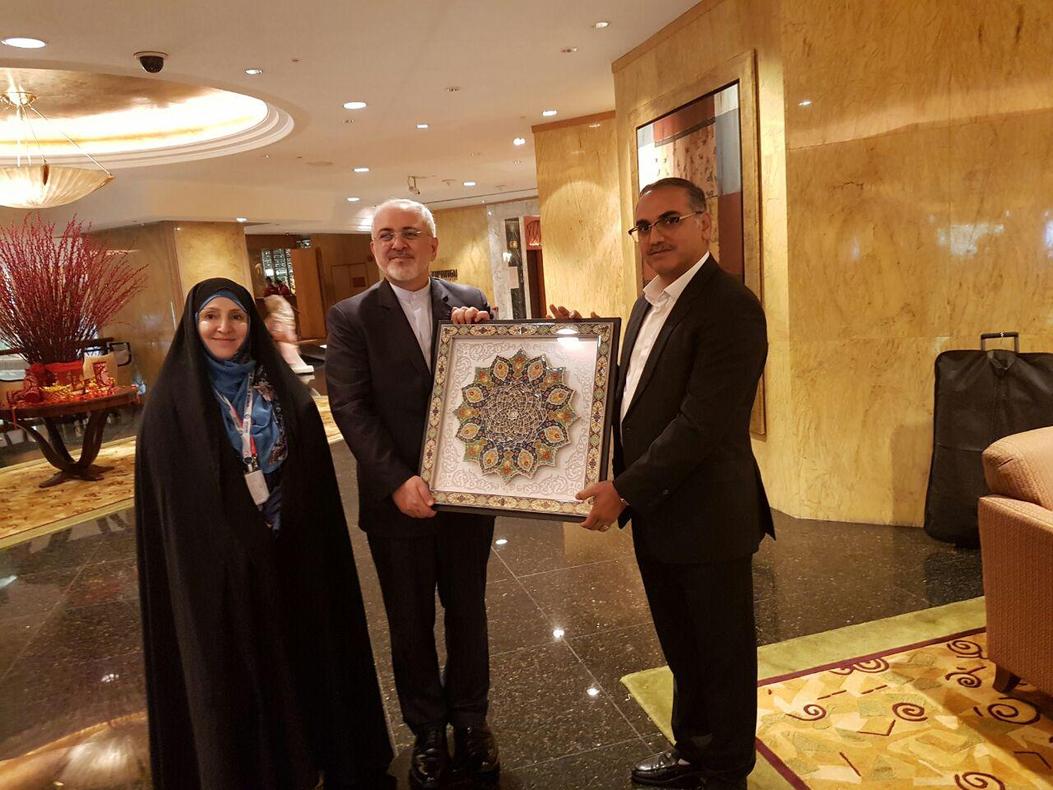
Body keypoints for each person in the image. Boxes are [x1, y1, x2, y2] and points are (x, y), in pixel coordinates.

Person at [134, 277, 393, 790]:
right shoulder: (170, 407)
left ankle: (317, 757)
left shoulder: (280, 389)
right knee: (238, 669)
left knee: (302, 654)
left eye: (236, 316)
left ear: (251, 324)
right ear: (193, 324)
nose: (224, 327)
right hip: (220, 569)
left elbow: (311, 473)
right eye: (211, 316)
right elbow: (174, 508)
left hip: (291, 550)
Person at [572, 177, 773, 790]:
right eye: (644, 226)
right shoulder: (647, 303)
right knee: (684, 647)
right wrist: (580, 353)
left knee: (721, 652)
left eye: (669, 220)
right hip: (660, 513)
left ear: (703, 224)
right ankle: (693, 750)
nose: (654, 235)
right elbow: (638, 395)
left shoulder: (730, 306)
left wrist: (624, 489)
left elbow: (700, 424)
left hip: (709, 516)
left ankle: (727, 770)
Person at [325, 199, 499, 789]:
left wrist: (486, 337)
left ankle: (470, 721)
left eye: (408, 233)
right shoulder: (350, 316)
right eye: (385, 236)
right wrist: (397, 479)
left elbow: (495, 381)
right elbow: (351, 406)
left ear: (432, 244)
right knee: (409, 620)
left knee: (468, 611)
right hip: (395, 499)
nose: (396, 244)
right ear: (374, 248)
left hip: (467, 494)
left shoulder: (469, 302)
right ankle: (426, 729)